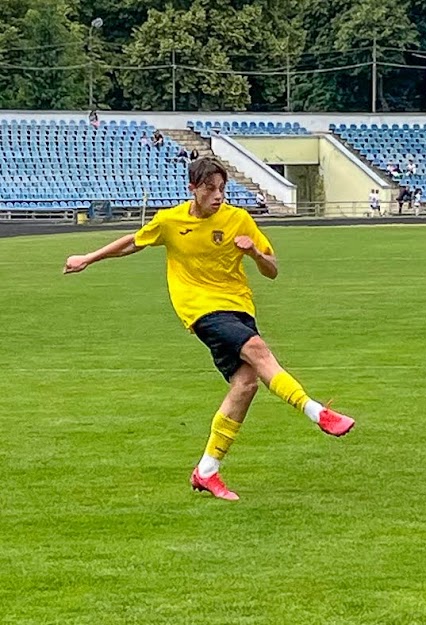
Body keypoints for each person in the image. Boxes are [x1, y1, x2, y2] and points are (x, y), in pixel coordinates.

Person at [62, 157, 356, 501]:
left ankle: (206, 471)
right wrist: (88, 258)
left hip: (238, 306)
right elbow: (134, 242)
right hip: (200, 310)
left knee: (246, 385)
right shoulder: (171, 221)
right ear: (193, 189)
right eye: (210, 189)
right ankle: (317, 412)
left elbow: (272, 269)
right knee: (258, 350)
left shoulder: (238, 219)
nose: (218, 196)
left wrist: (256, 255)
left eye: (222, 189)